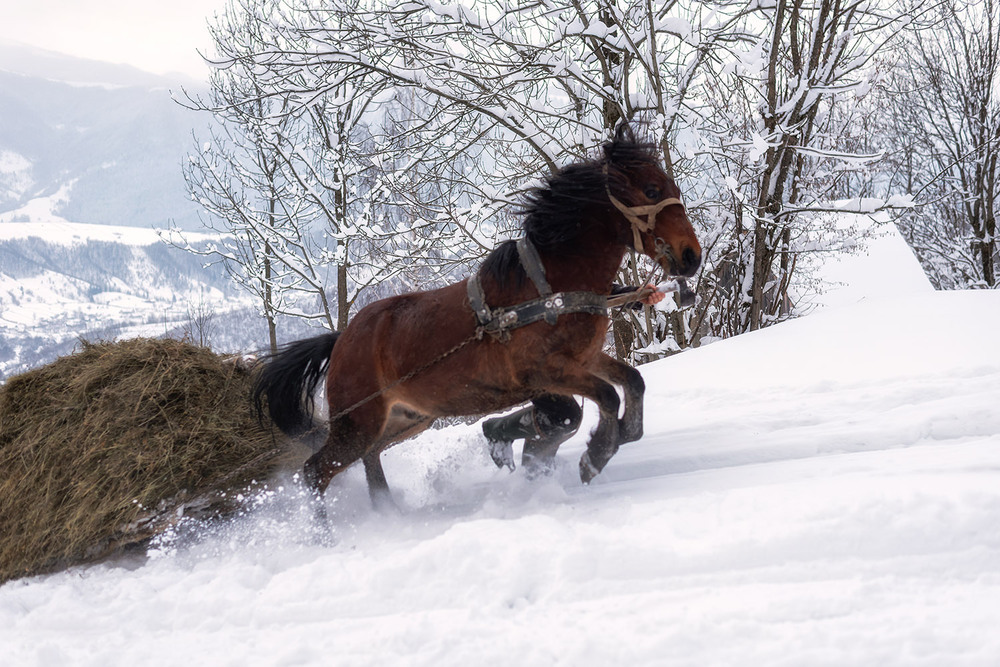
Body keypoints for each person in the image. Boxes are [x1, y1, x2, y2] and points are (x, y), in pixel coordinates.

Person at [483, 284, 665, 472]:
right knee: (565, 416)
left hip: (560, 347)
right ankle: (499, 432)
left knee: (564, 418)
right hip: (525, 350)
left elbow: (584, 284)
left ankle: (534, 472)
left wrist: (633, 295)